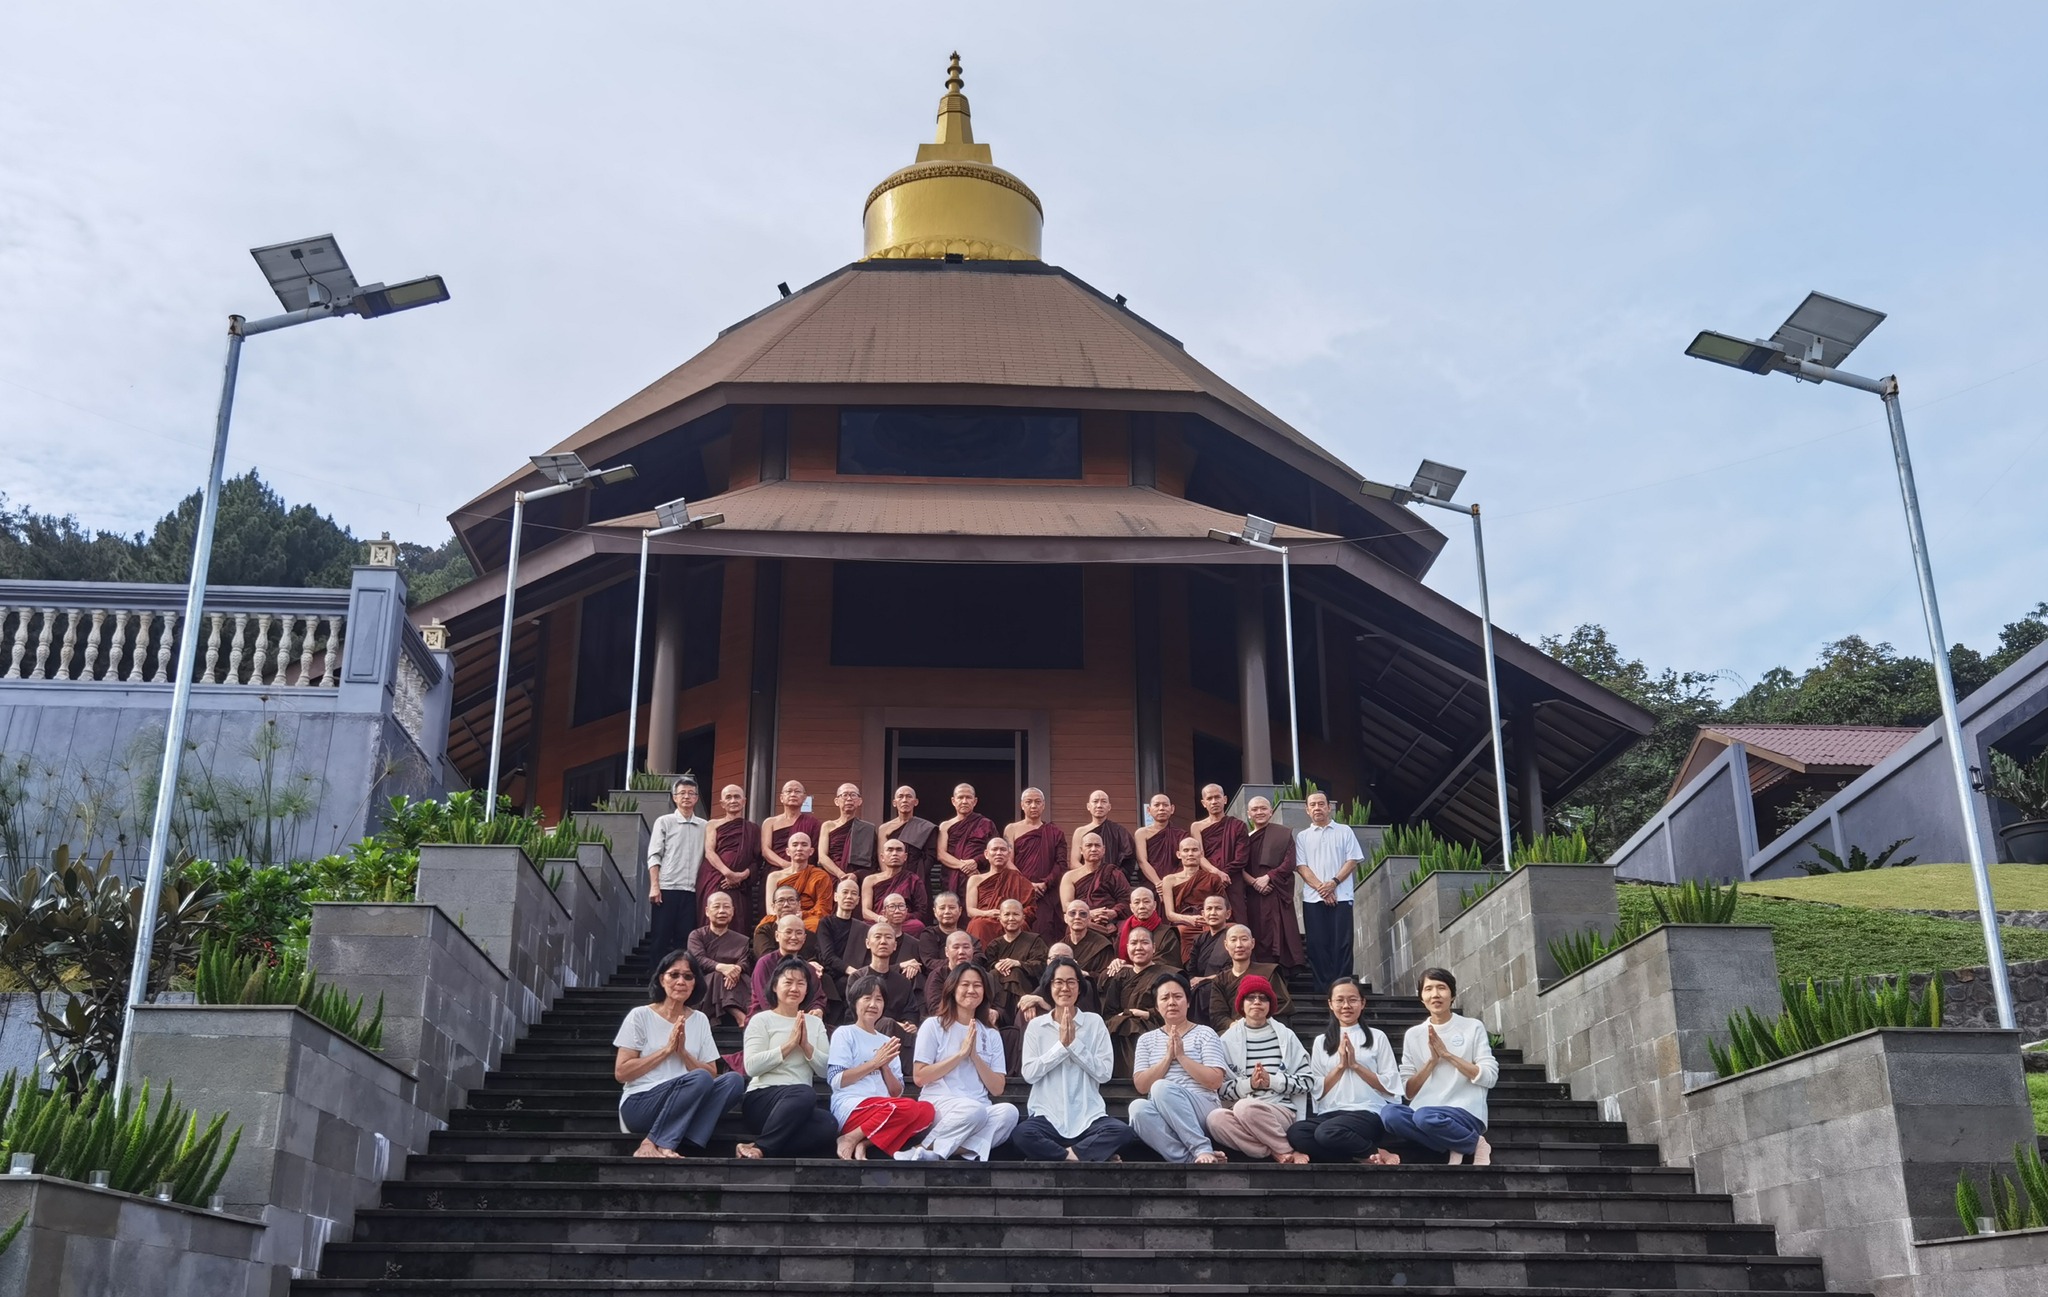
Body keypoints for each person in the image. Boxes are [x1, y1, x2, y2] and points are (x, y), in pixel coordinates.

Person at [613, 951, 747, 1158]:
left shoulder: (700, 1019)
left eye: (688, 976)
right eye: (674, 975)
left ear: (695, 983)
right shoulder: (640, 1016)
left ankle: (685, 1139)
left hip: (686, 1103)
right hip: (641, 1104)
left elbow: (712, 1073)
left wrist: (683, 1053)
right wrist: (667, 1050)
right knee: (699, 1078)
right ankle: (653, 1141)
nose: (681, 981)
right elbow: (622, 1073)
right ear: (661, 979)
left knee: (734, 1081)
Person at [1012, 956, 1136, 1162]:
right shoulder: (1037, 1026)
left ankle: (1060, 1154)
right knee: (1021, 1134)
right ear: (1049, 986)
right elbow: (1030, 1074)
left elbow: (1104, 1074)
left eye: (1071, 982)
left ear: (1080, 987)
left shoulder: (1094, 1022)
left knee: (1122, 1132)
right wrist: (1061, 1047)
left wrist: (1074, 1045)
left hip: (1089, 1117)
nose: (1065, 988)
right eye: (1058, 982)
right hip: (1047, 1116)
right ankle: (1083, 1154)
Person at [899, 963, 1019, 1161]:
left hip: (979, 1107)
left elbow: (997, 1088)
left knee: (1009, 1113)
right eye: (965, 985)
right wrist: (960, 1055)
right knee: (974, 1110)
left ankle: (935, 1152)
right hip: (941, 1104)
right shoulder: (933, 1026)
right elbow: (920, 1076)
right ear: (952, 989)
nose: (971, 990)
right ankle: (925, 1145)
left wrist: (974, 1056)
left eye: (977, 985)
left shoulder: (991, 1034)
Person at [1383, 967, 1498, 1165]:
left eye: (1441, 988)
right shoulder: (1414, 1034)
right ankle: (1461, 1144)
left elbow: (1489, 1076)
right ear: (1421, 997)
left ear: (1452, 995)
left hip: (1464, 1112)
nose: (1435, 994)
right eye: (1428, 989)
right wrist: (1432, 1062)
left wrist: (1447, 1055)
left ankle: (1473, 1142)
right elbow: (1408, 1092)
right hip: (1424, 1114)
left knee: (1425, 1117)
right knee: (1390, 1115)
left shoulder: (1472, 1027)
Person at [1287, 976, 1403, 1165]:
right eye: (1340, 1000)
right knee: (1297, 1133)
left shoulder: (1377, 1037)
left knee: (1326, 1133)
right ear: (1330, 1004)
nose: (1346, 1005)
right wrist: (1341, 1066)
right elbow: (1318, 1089)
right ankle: (1366, 1154)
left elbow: (1390, 1085)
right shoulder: (1321, 1042)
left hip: (1367, 1111)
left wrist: (1356, 1065)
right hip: (1332, 1112)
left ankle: (1373, 1151)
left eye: (1353, 1000)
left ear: (1363, 1003)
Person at [737, 958, 837, 1158]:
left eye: (801, 983)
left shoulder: (814, 1024)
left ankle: (757, 1146)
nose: (794, 988)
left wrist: (806, 1047)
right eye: (788, 982)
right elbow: (751, 1067)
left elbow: (827, 1071)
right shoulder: (761, 1020)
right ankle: (764, 1146)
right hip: (762, 1099)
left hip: (798, 1106)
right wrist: (789, 1045)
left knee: (829, 1124)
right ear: (774, 986)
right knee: (805, 1092)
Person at [1208, 974, 1314, 1163]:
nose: (1257, 1002)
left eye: (1263, 998)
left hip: (1280, 1110)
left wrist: (1271, 1081)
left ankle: (1283, 1149)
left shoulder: (1286, 1037)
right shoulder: (1226, 1041)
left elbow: (1307, 1081)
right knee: (1215, 1119)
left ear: (1270, 1005)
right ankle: (1278, 1151)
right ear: (1242, 1004)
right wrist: (1249, 1084)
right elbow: (1219, 1089)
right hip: (1243, 1109)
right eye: (1251, 997)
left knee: (1245, 1108)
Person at [828, 973, 935, 1160]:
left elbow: (896, 1093)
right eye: (867, 998)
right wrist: (874, 1063)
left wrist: (884, 1067)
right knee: (907, 1107)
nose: (873, 1004)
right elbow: (837, 1080)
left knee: (927, 1111)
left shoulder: (887, 1041)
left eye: (878, 999)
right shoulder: (845, 1033)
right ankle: (850, 1136)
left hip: (886, 1109)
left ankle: (861, 1141)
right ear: (855, 1002)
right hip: (853, 1106)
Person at [1127, 972, 1229, 1164]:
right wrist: (1168, 1058)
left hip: (1201, 1106)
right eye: (1165, 998)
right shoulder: (1146, 1040)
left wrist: (1181, 1056)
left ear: (1188, 1002)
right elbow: (1141, 1086)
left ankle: (1202, 1148)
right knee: (1137, 1108)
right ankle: (1190, 1159)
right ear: (1157, 1007)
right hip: (1163, 1108)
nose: (1171, 1002)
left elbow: (1215, 1081)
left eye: (1178, 996)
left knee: (1160, 1087)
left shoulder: (1205, 1034)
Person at [1295, 792, 1363, 992]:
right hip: (1313, 899)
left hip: (1342, 897)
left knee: (1342, 944)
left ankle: (1344, 988)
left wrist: (1333, 883)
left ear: (1329, 807)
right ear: (1307, 810)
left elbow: (1352, 861)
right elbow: (1301, 866)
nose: (1317, 808)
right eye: (1313, 805)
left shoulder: (1344, 831)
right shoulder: (1302, 837)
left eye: (1321, 804)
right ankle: (1322, 989)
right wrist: (1322, 889)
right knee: (1317, 945)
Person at [646, 775, 711, 958]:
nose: (686, 797)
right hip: (667, 888)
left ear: (696, 798)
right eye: (682, 793)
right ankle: (655, 979)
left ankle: (681, 979)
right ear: (674, 797)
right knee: (660, 938)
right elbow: (654, 855)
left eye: (691, 793)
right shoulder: (664, 822)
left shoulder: (704, 826)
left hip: (692, 891)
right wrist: (654, 885)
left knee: (686, 939)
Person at [1101, 924, 1174, 1075]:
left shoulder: (1167, 975)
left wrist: (1143, 1014)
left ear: (1153, 947)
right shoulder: (1121, 976)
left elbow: (1172, 1010)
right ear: (1127, 948)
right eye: (1134, 943)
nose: (1139, 947)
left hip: (1154, 1027)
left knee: (1131, 1026)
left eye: (1144, 943)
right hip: (1121, 1027)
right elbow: (1109, 1014)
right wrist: (1126, 1016)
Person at [1241, 796, 1304, 972]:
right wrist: (1254, 883)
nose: (1259, 812)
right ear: (1248, 814)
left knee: (1281, 931)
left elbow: (1290, 862)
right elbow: (1238, 866)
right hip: (1254, 896)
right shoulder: (1245, 839)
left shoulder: (1283, 834)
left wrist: (1268, 877)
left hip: (1276, 892)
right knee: (1259, 931)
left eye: (1263, 808)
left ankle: (1283, 972)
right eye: (1255, 809)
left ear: (1271, 812)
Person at [1005, 788, 1069, 943]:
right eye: (1029, 802)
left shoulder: (1055, 832)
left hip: (1048, 891)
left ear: (1044, 805)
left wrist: (1045, 884)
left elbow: (1061, 863)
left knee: (1047, 930)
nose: (1033, 806)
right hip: (1021, 889)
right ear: (1022, 805)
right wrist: (1028, 884)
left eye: (1037, 802)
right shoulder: (1011, 829)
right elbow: (1007, 861)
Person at [685, 890, 752, 1028]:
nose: (722, 911)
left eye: (726, 907)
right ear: (707, 911)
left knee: (743, 977)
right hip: (705, 983)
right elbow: (698, 959)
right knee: (717, 975)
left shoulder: (741, 940)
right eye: (716, 907)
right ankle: (739, 1015)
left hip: (734, 982)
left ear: (733, 911)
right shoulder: (697, 935)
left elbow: (745, 961)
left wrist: (736, 969)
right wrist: (723, 968)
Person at [1208, 923, 1292, 1030]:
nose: (1239, 945)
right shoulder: (1220, 980)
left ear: (1252, 943)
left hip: (1265, 1028)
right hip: (1233, 1031)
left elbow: (1281, 1007)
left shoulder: (1268, 972)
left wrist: (1255, 1023)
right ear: (1226, 945)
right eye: (1233, 940)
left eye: (1244, 939)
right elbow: (1217, 1014)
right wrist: (1234, 1026)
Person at [702, 783, 760, 933]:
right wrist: (728, 873)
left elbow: (756, 860)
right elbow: (709, 851)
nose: (733, 800)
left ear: (744, 801)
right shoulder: (713, 824)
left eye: (737, 797)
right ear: (722, 803)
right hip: (716, 878)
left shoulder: (752, 828)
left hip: (741, 885)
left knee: (739, 919)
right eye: (728, 797)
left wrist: (740, 876)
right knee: (713, 915)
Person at [982, 897, 1048, 1021]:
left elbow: (1042, 965)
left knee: (1016, 973)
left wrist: (1019, 964)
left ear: (1023, 917)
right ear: (1000, 918)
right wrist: (995, 965)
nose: (1011, 918)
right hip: (998, 992)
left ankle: (1012, 1011)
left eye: (1016, 914)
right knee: (994, 973)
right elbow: (986, 967)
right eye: (1007, 914)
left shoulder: (1034, 941)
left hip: (1027, 989)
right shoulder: (994, 945)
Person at [1158, 836, 1229, 951]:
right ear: (1178, 854)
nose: (1190, 854)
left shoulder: (1212, 878)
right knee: (1181, 931)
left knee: (1231, 931)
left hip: (1209, 920)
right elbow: (1170, 914)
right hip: (1185, 922)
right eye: (1186, 850)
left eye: (1194, 850)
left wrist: (1210, 918)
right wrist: (1189, 919)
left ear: (1201, 854)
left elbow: (1224, 906)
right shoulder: (1169, 880)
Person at [816, 876, 871, 1021]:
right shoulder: (825, 923)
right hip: (832, 977)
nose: (849, 897)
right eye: (845, 892)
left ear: (858, 900)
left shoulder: (863, 928)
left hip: (854, 979)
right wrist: (853, 971)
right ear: (835, 897)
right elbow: (828, 956)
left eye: (853, 893)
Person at [1191, 784, 1250, 918]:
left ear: (1225, 799)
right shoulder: (1197, 827)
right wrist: (1216, 873)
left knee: (1237, 916)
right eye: (1209, 798)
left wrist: (1225, 873)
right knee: (1211, 916)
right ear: (1203, 803)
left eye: (1217, 797)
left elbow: (1241, 858)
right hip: (1208, 877)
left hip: (1232, 878)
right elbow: (1199, 856)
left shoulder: (1238, 825)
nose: (1214, 801)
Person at [964, 837, 1035, 944]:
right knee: (978, 924)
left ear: (1009, 854)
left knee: (1020, 925)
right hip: (985, 919)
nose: (999, 853)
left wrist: (1010, 915)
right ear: (986, 854)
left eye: (1003, 849)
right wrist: (988, 913)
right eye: (995, 849)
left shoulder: (1019, 880)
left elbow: (1030, 909)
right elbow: (970, 911)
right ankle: (980, 959)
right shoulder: (975, 879)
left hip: (1012, 920)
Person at [751, 914, 826, 1014]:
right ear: (777, 936)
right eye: (788, 932)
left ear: (804, 938)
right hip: (767, 1019)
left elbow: (817, 997)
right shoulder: (765, 963)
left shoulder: (808, 968)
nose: (794, 937)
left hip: (800, 1018)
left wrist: (817, 1010)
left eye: (799, 933)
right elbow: (765, 999)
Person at [1060, 830, 1132, 936]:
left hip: (1110, 922)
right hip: (1081, 920)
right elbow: (1066, 906)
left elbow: (1126, 900)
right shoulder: (1070, 877)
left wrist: (1113, 912)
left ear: (1103, 850)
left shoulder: (1114, 873)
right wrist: (1088, 913)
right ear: (1081, 850)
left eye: (1097, 846)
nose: (1093, 849)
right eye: (1089, 845)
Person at [935, 783, 998, 898]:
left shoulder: (986, 824)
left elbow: (995, 851)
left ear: (975, 801)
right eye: (960, 797)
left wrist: (975, 862)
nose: (964, 801)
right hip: (952, 878)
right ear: (953, 801)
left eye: (968, 797)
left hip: (978, 876)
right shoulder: (945, 826)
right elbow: (941, 854)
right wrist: (964, 866)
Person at [878, 785, 939, 901]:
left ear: (915, 802)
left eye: (908, 797)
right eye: (900, 797)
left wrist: (914, 879)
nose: (905, 800)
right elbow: (882, 856)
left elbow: (930, 857)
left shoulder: (926, 827)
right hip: (891, 879)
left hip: (918, 878)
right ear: (894, 803)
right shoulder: (884, 828)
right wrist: (890, 878)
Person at [764, 831, 834, 929]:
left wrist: (802, 915)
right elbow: (771, 909)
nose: (799, 848)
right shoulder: (774, 877)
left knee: (815, 925)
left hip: (808, 918)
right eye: (795, 845)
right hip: (780, 917)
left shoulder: (821, 876)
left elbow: (823, 908)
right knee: (763, 927)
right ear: (788, 851)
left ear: (811, 851)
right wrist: (786, 919)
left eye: (804, 845)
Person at [759, 779, 822, 887]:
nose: (793, 794)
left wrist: (798, 868)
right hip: (775, 873)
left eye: (797, 792)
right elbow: (765, 850)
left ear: (804, 798)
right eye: (789, 791)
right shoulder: (770, 822)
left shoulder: (813, 823)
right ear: (781, 798)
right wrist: (787, 865)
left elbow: (814, 852)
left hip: (802, 874)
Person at [1067, 790, 1137, 883]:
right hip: (1088, 880)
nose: (1099, 805)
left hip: (1112, 882)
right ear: (1088, 806)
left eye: (1103, 802)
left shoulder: (1119, 831)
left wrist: (1110, 877)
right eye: (1095, 801)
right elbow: (1074, 863)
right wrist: (1093, 875)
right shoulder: (1080, 832)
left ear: (1109, 807)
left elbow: (1129, 861)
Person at [1184, 895, 1235, 1019]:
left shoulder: (1233, 938)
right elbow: (1192, 968)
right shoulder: (1200, 939)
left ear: (1228, 914)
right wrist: (1192, 980)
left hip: (1222, 988)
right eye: (1209, 909)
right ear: (1203, 913)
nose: (1213, 913)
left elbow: (1234, 970)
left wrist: (1205, 979)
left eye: (1218, 908)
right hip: (1198, 989)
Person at [816, 782, 877, 885]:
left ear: (859, 801)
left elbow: (873, 862)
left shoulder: (867, 829)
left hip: (856, 879)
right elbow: (822, 857)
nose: (849, 799)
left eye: (853, 795)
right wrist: (840, 874)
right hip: (832, 876)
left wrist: (855, 876)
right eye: (845, 795)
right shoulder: (828, 826)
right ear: (836, 801)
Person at [861, 837, 930, 928]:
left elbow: (921, 911)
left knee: (918, 926)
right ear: (882, 857)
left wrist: (901, 917)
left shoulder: (913, 879)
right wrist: (881, 919)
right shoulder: (870, 880)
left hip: (903, 923)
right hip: (878, 922)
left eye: (899, 850)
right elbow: (866, 911)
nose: (894, 854)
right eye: (890, 850)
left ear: (905, 857)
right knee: (864, 928)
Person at [1131, 792, 1188, 891]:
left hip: (1175, 884)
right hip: (1150, 883)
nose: (1161, 808)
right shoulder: (1141, 833)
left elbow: (1184, 862)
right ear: (1149, 810)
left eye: (1165, 805)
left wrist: (1170, 883)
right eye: (1157, 805)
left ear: (1172, 809)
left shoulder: (1181, 835)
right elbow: (1142, 861)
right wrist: (1158, 883)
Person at [1116, 887, 1181, 969]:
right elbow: (1117, 958)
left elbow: (1168, 964)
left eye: (1146, 902)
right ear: (1131, 908)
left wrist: (1135, 969)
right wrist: (1116, 962)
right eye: (1136, 902)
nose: (1141, 906)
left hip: (1156, 978)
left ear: (1154, 905)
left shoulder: (1167, 933)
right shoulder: (1123, 930)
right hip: (1127, 975)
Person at [1058, 897, 1114, 983]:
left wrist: (1085, 974)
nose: (1077, 917)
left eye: (1083, 914)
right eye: (1072, 913)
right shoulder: (1060, 947)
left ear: (1089, 920)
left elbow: (1107, 977)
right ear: (1065, 918)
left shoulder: (1102, 946)